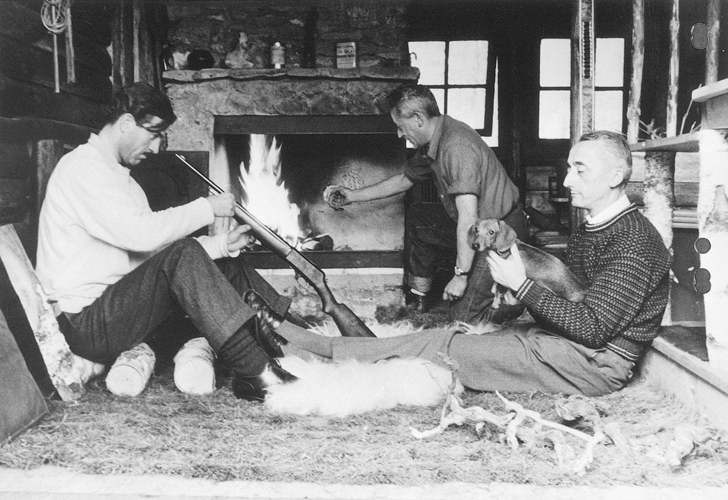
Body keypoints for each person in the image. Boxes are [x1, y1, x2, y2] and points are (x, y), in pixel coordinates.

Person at [277, 131, 671, 396]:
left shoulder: (634, 241)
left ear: (617, 175)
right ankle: (340, 350)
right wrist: (522, 297)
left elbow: (591, 328)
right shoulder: (597, 224)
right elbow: (575, 294)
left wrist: (522, 284)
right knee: (467, 338)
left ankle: (317, 348)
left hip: (594, 364)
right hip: (566, 345)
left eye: (579, 169)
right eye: (570, 168)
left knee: (444, 346)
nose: (567, 181)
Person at [36, 82, 309, 402]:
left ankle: (293, 343)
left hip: (114, 310)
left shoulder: (121, 181)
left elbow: (150, 252)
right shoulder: (83, 169)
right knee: (183, 253)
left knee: (226, 260)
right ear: (125, 123)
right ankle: (255, 372)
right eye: (152, 133)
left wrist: (221, 245)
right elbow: (145, 235)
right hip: (84, 324)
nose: (155, 148)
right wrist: (207, 208)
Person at [324, 83, 528, 324]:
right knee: (421, 216)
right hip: (474, 227)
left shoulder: (456, 147)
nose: (400, 134)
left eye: (401, 127)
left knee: (464, 318)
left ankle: (516, 304)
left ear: (418, 118)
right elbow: (403, 180)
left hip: (498, 233)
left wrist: (460, 276)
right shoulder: (433, 141)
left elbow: (468, 219)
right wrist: (352, 195)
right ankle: (418, 299)